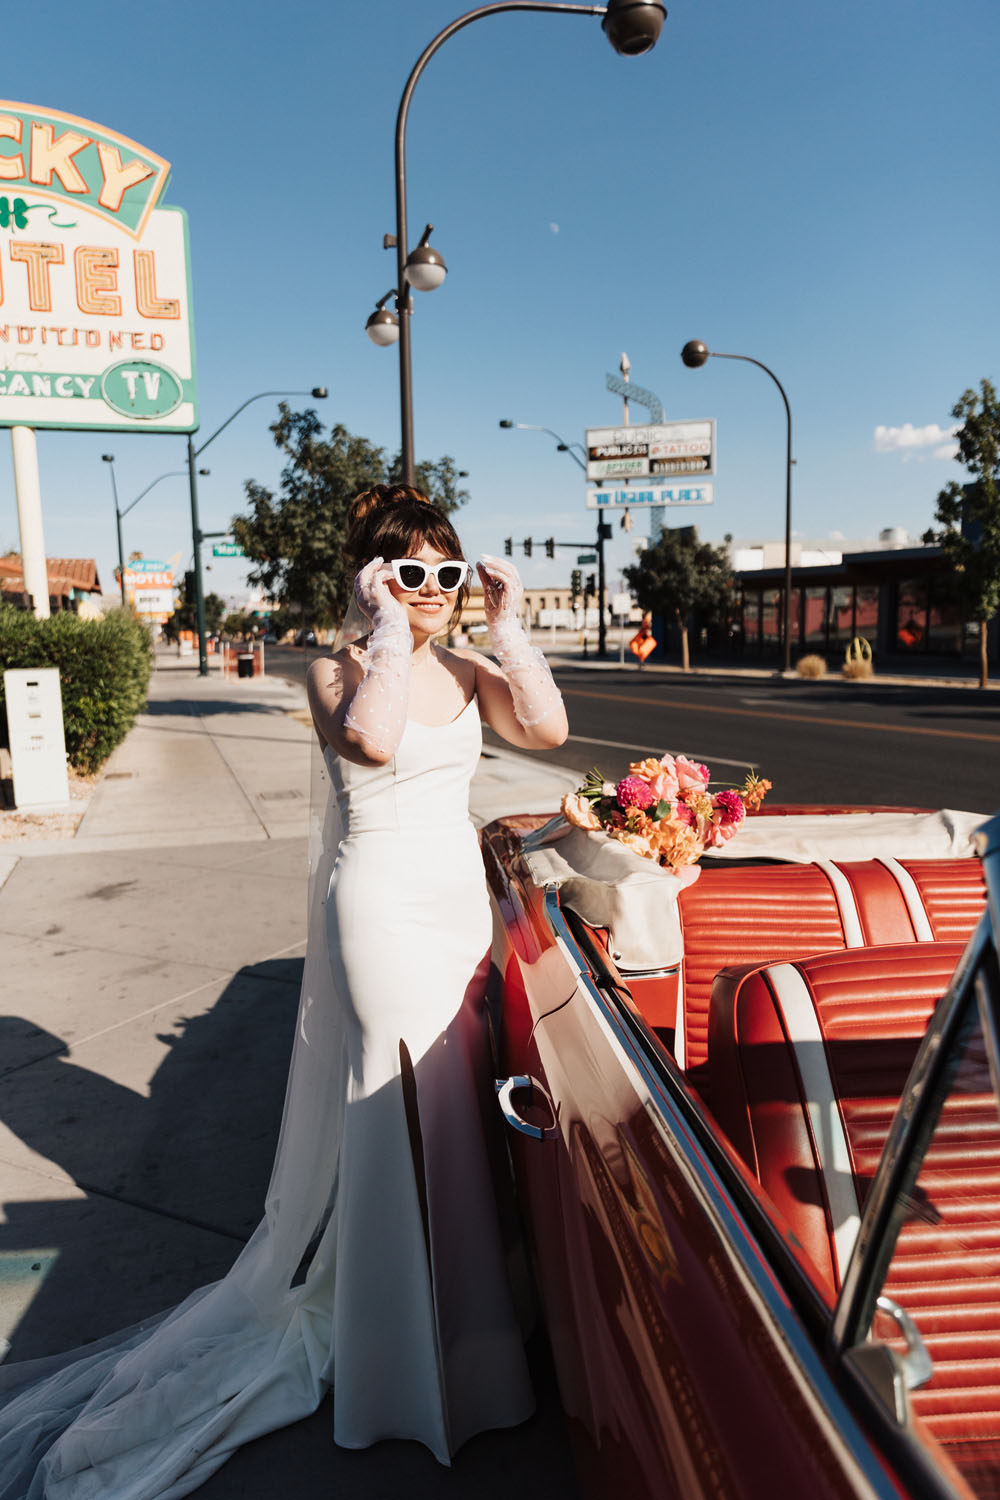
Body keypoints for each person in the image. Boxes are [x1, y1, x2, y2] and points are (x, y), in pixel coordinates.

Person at [0, 485, 568, 1498]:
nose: (432, 590)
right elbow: (376, 743)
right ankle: (401, 1369)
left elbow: (550, 731)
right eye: (410, 573)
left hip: (453, 908)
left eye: (445, 571)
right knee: (398, 1125)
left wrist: (509, 626)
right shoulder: (337, 671)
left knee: (456, 1129)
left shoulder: (472, 672)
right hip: (381, 913)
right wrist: (391, 629)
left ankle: (468, 1345)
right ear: (370, 580)